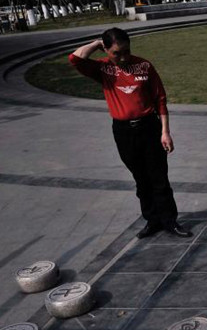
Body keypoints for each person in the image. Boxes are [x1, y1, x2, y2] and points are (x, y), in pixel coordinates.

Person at [69, 27, 191, 239]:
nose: (123, 57)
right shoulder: (103, 69)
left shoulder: (144, 66)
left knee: (159, 177)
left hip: (150, 128)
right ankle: (152, 220)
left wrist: (165, 132)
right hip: (123, 132)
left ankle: (170, 221)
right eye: (116, 53)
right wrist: (97, 44)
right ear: (106, 50)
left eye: (126, 51)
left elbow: (160, 99)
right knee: (141, 178)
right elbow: (75, 59)